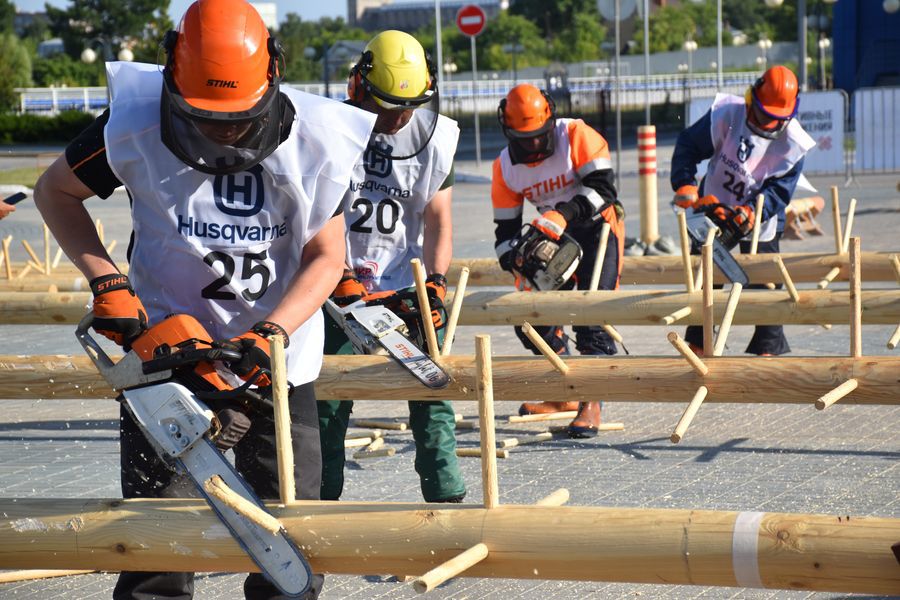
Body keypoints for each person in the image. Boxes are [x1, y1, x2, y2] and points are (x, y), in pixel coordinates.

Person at [32, 1, 375, 598]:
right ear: (172, 82)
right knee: (157, 546)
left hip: (276, 360)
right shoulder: (132, 121)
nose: (224, 132)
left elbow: (328, 257)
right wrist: (107, 282)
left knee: (290, 541)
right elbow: (54, 191)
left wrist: (273, 333)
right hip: (167, 354)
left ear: (271, 79)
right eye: (206, 118)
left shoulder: (318, 140)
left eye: (238, 119)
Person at [317, 30, 466, 504]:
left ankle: (446, 500)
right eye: (386, 108)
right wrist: (334, 272)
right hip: (331, 283)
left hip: (405, 280)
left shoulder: (435, 137)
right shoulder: (323, 128)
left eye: (406, 109)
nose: (397, 119)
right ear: (359, 87)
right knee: (326, 401)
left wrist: (437, 284)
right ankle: (317, 505)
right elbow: (309, 212)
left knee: (432, 393)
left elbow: (438, 218)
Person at [491, 83, 624, 438]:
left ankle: (591, 400)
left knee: (591, 315)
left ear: (550, 120)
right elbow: (504, 232)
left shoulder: (577, 135)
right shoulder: (505, 167)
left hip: (597, 229)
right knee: (529, 316)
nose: (533, 145)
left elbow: (606, 190)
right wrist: (515, 261)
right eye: (524, 139)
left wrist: (564, 214)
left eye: (539, 136)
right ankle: (564, 389)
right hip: (552, 240)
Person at [671, 65, 815, 357]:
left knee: (764, 277)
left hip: (757, 217)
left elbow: (780, 191)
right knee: (706, 276)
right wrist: (684, 184)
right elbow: (688, 144)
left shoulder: (794, 144)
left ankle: (768, 346)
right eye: (762, 115)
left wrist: (752, 212)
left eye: (775, 119)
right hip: (713, 203)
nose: (766, 124)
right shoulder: (727, 112)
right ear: (752, 99)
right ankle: (699, 343)